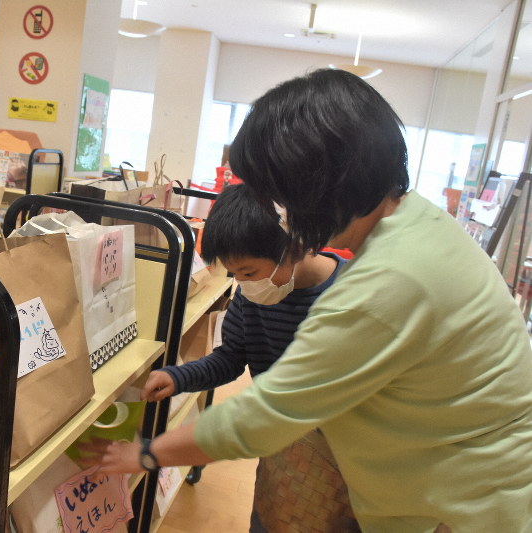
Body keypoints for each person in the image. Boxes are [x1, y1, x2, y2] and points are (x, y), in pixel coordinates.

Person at [81, 69, 532, 532]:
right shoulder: (421, 228)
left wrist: (147, 453)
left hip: (460, 507)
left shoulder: (380, 287)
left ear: (315, 186)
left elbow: (267, 415)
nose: (279, 212)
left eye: (276, 192)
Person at [140, 183, 352, 531]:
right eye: (234, 274)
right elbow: (231, 358)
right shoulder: (254, 293)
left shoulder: (351, 295)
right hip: (281, 451)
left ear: (295, 246)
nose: (243, 284)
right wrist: (178, 377)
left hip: (344, 461)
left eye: (249, 273)